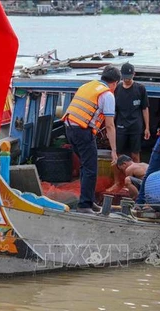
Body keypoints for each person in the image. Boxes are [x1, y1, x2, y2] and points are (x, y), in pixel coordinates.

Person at [62, 65, 121, 214]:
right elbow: (109, 125)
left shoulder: (87, 86)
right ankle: (84, 205)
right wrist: (114, 150)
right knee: (90, 168)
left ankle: (88, 200)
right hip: (82, 131)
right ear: (115, 83)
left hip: (69, 128)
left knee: (85, 166)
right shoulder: (107, 95)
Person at [114, 62, 150, 163]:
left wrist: (147, 127)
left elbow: (145, 108)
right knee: (118, 154)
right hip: (121, 126)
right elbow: (113, 111)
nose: (127, 80)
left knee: (135, 154)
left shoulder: (140, 88)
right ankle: (117, 179)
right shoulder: (117, 89)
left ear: (134, 74)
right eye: (125, 78)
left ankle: (136, 177)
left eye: (129, 78)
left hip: (136, 126)